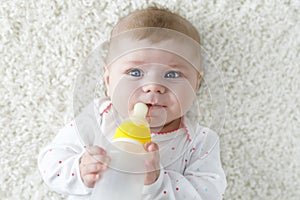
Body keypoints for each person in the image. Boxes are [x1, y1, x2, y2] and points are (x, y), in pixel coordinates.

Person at [38, 6, 227, 199]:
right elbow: (50, 163)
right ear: (109, 80)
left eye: (172, 74)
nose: (153, 86)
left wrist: (156, 182)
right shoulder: (100, 116)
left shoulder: (200, 141)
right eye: (135, 72)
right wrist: (80, 170)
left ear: (196, 84)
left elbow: (209, 193)